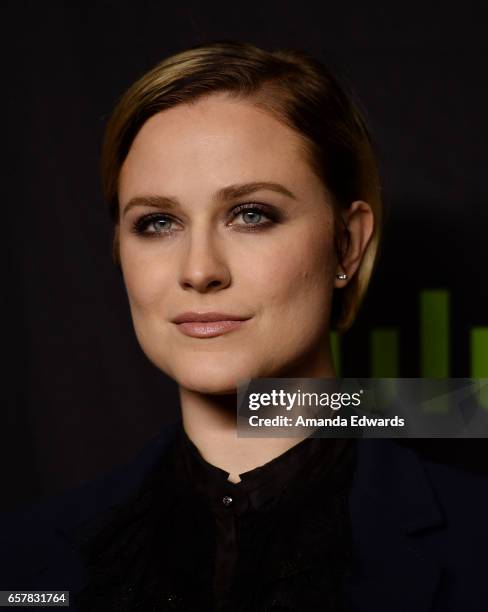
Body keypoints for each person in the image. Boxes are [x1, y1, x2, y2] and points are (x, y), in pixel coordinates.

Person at [1, 40, 488, 612]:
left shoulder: (476, 543)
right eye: (157, 222)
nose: (200, 270)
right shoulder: (23, 562)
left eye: (251, 214)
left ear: (347, 245)